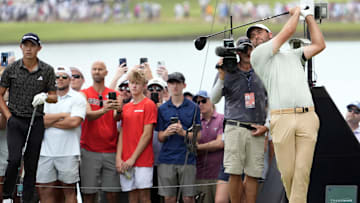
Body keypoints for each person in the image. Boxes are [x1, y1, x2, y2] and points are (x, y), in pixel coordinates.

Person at [248, 6, 326, 203]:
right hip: (281, 118)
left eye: (259, 33)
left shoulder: (294, 54)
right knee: (288, 173)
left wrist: (308, 16)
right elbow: (288, 31)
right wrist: (298, 10)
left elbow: (319, 44)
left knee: (302, 171)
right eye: (253, 36)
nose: (256, 37)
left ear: (269, 34)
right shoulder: (258, 56)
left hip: (308, 117)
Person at [0, 33, 58, 202]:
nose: (28, 49)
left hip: (36, 121)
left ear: (38, 48)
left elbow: (54, 97)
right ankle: (7, 196)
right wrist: (9, 117)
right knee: (14, 160)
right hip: (15, 120)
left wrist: (45, 97)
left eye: (32, 45)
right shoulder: (12, 69)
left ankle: (27, 199)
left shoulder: (47, 70)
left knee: (31, 164)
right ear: (21, 47)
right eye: (25, 45)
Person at [210, 37, 268, 203]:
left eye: (250, 49)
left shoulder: (262, 71)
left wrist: (267, 126)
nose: (247, 53)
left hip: (256, 128)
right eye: (243, 50)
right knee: (234, 171)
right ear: (237, 53)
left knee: (253, 173)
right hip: (235, 126)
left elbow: (271, 101)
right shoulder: (228, 70)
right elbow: (213, 99)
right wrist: (221, 75)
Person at [36, 66, 86, 203]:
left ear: (70, 79)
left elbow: (74, 122)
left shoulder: (78, 98)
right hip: (44, 152)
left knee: (69, 190)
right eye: (57, 77)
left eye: (64, 77)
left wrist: (49, 120)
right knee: (45, 189)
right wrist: (63, 115)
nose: (60, 79)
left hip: (69, 152)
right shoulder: (43, 97)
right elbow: (38, 122)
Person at [80, 61, 122, 203]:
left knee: (112, 194)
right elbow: (88, 115)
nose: (97, 71)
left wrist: (119, 109)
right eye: (94, 69)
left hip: (110, 150)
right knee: (89, 193)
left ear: (106, 73)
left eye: (100, 69)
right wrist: (104, 109)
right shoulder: (84, 93)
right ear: (91, 72)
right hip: (89, 150)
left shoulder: (114, 94)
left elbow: (117, 117)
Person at [156, 72, 201, 203]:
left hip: (187, 158)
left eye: (178, 83)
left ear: (184, 85)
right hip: (166, 159)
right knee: (169, 198)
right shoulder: (162, 108)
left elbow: (198, 136)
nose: (174, 86)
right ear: (167, 86)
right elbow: (160, 137)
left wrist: (183, 132)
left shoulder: (194, 107)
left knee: (188, 198)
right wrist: (166, 132)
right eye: (171, 83)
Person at [116, 69, 158, 203]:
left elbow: (147, 134)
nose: (134, 86)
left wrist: (133, 158)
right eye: (131, 83)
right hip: (126, 159)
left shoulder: (149, 104)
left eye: (137, 83)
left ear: (144, 85)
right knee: (131, 195)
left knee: (144, 196)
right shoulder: (126, 107)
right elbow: (122, 132)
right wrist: (118, 157)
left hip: (143, 159)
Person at [193, 90, 224, 203]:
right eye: (197, 102)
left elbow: (220, 143)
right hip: (201, 175)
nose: (200, 104)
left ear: (211, 101)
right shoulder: (195, 122)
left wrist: (199, 148)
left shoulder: (222, 119)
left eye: (204, 101)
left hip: (220, 175)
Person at [145, 77, 166, 202]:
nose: (155, 91)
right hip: (146, 162)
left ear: (164, 92)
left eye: (158, 89)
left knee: (165, 197)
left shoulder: (168, 109)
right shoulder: (141, 108)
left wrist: (160, 110)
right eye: (151, 89)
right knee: (149, 197)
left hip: (164, 162)